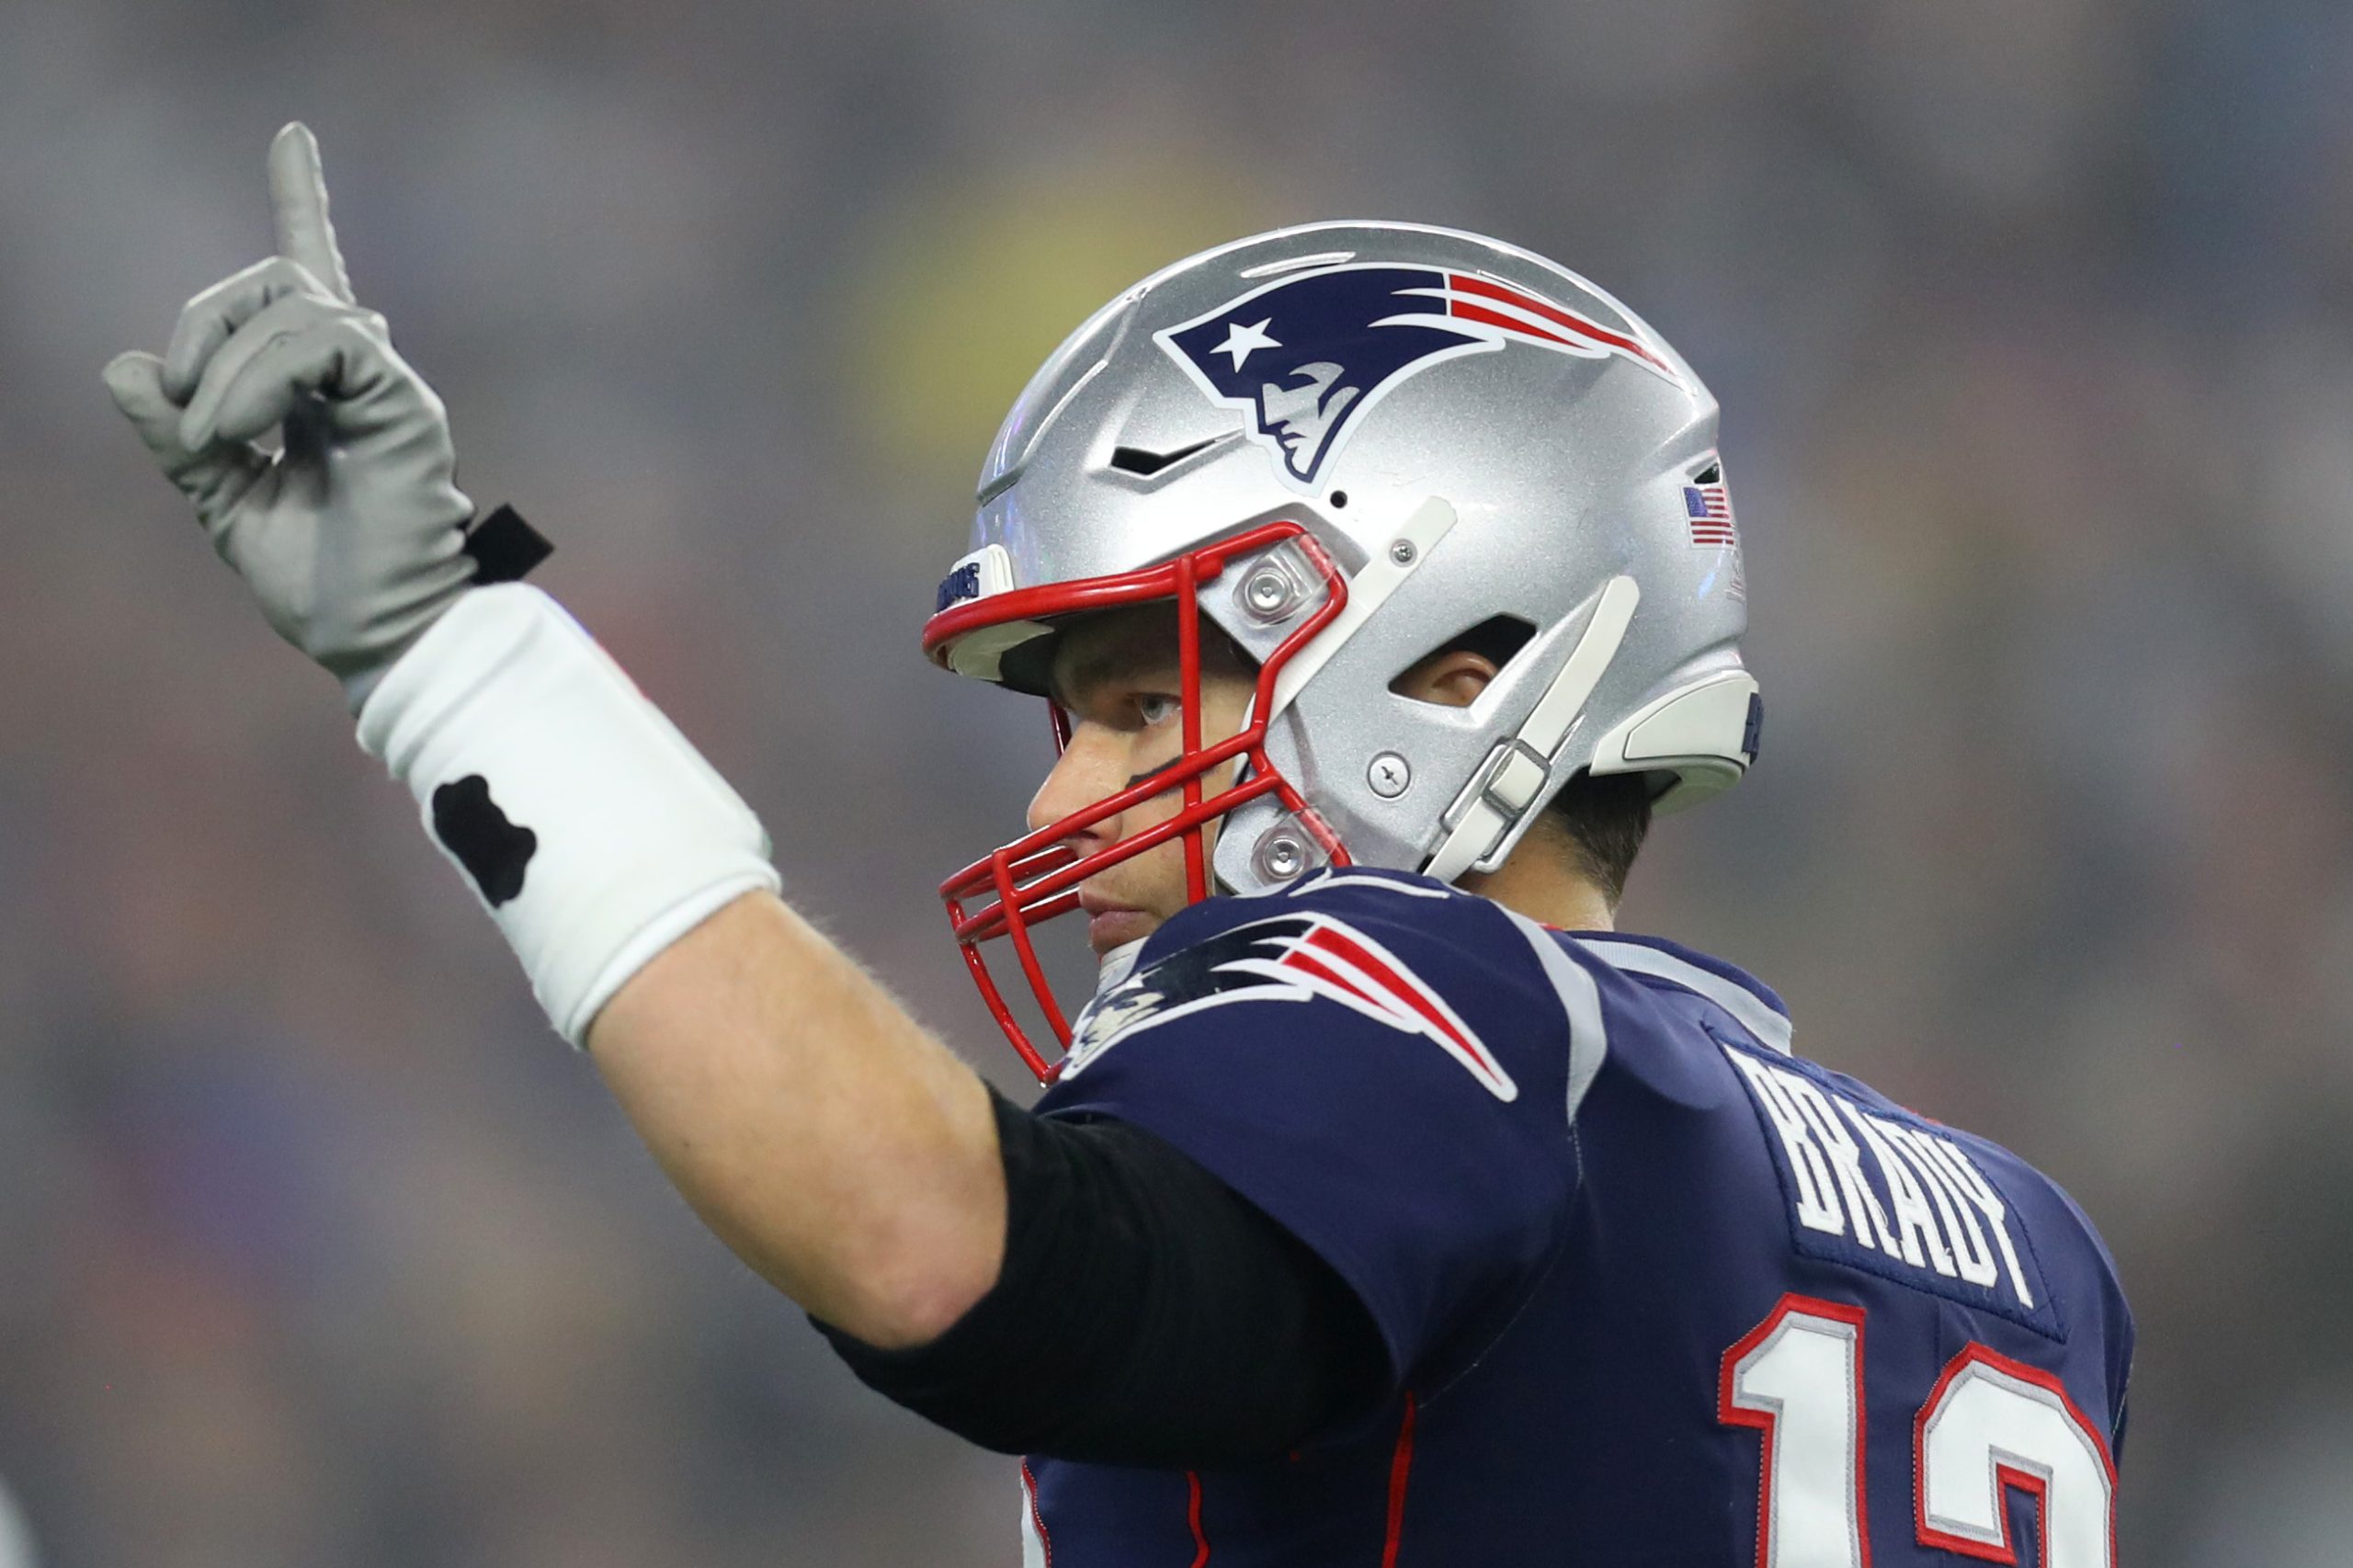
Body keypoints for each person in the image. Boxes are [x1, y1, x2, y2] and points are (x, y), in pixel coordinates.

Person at [105, 123, 2132, 1565]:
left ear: (1457, 661)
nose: (1063, 807)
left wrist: (449, 647)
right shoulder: (2026, 1249)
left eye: (1140, 703)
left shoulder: (1460, 1004)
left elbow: (931, 1239)